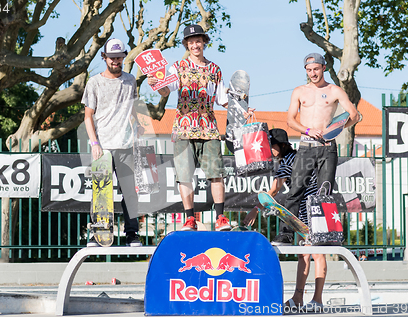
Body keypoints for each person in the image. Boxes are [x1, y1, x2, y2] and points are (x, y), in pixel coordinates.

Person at [148, 24, 252, 231]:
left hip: (209, 128)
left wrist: (242, 109)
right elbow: (166, 90)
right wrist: (156, 84)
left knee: (216, 174)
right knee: (184, 176)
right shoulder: (177, 67)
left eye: (198, 41)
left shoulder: (214, 69)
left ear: (204, 42)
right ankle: (189, 219)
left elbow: (223, 99)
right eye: (191, 41)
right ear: (186, 44)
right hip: (184, 128)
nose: (195, 45)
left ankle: (220, 218)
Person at [283, 52, 360, 311]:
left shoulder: (335, 90)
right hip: (306, 146)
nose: (313, 73)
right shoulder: (299, 91)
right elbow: (290, 120)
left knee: (325, 193)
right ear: (305, 70)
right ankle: (284, 233)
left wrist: (337, 129)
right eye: (309, 69)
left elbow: (354, 114)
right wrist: (306, 130)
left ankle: (325, 233)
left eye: (316, 69)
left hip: (327, 148)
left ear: (324, 68)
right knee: (295, 189)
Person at [243, 128, 323, 311]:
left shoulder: (288, 162)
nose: (270, 149)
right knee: (305, 254)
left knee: (317, 253)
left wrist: (255, 210)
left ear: (283, 145)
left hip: (311, 210)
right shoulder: (298, 157)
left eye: (273, 145)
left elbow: (273, 192)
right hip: (307, 209)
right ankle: (299, 298)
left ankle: (317, 300)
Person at [83, 38, 143, 247]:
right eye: (112, 58)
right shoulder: (94, 82)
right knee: (101, 191)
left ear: (124, 57)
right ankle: (98, 232)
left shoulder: (130, 81)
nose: (116, 61)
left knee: (130, 192)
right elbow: (88, 116)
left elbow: (132, 110)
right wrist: (94, 143)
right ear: (104, 58)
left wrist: (137, 133)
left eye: (119, 57)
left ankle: (132, 234)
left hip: (126, 145)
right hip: (103, 146)